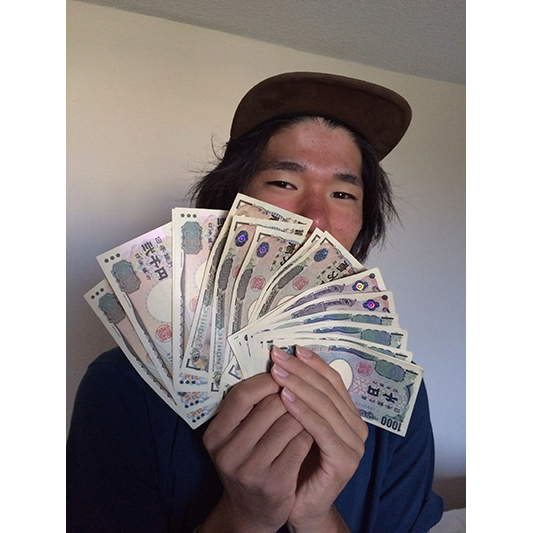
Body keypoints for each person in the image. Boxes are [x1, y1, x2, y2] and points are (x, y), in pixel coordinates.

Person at [67, 72, 444, 532]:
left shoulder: (397, 395)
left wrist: (317, 517)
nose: (316, 217)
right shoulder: (121, 386)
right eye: (284, 183)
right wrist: (245, 516)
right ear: (229, 207)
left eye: (343, 193)